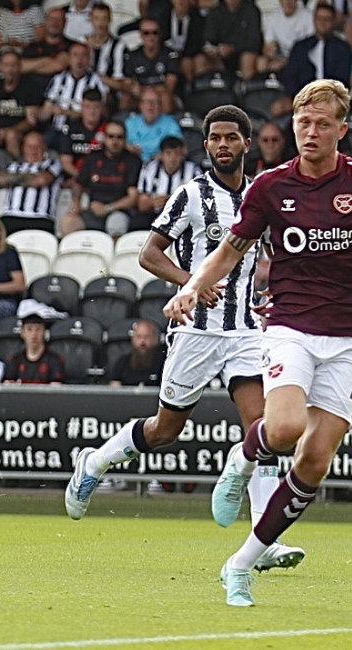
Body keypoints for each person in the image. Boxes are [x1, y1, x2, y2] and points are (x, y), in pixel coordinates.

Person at [163, 83, 352, 607]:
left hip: (347, 340)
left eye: (321, 124)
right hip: (289, 325)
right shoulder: (270, 186)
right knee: (286, 428)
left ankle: (240, 563)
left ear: (342, 129)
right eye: (302, 123)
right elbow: (229, 251)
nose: (309, 132)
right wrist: (192, 287)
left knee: (315, 461)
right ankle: (244, 459)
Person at [65, 120, 141, 236]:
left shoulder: (132, 161)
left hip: (120, 211)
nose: (115, 141)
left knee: (116, 225)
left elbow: (133, 197)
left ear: (125, 140)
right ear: (104, 138)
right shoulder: (93, 158)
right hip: (93, 210)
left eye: (119, 137)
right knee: (68, 221)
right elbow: (78, 184)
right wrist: (76, 203)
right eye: (111, 136)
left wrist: (107, 208)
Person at [0, 132, 63, 234]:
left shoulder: (53, 164)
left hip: (40, 218)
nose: (33, 150)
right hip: (11, 216)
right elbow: (1, 179)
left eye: (37, 146)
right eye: (30, 146)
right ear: (23, 148)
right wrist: (31, 178)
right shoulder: (14, 165)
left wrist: (14, 179)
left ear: (44, 148)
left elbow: (41, 180)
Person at [135, 136, 199, 232]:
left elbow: (199, 202)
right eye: (168, 153)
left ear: (182, 155)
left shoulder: (193, 171)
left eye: (177, 154)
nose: (172, 158)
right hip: (154, 213)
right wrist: (153, 202)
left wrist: (175, 203)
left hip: (183, 216)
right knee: (138, 222)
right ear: (161, 155)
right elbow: (141, 203)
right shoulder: (149, 168)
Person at [124, 89, 182, 164]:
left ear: (160, 106)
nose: (150, 106)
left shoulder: (170, 123)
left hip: (161, 165)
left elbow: (180, 149)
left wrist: (161, 156)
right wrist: (128, 148)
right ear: (140, 105)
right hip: (133, 163)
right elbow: (119, 142)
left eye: (155, 102)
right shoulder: (129, 122)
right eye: (146, 102)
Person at [106, 319, 163, 387]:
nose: (142, 342)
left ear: (155, 339)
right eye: (139, 337)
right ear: (133, 339)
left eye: (146, 337)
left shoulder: (164, 363)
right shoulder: (122, 362)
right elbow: (114, 387)